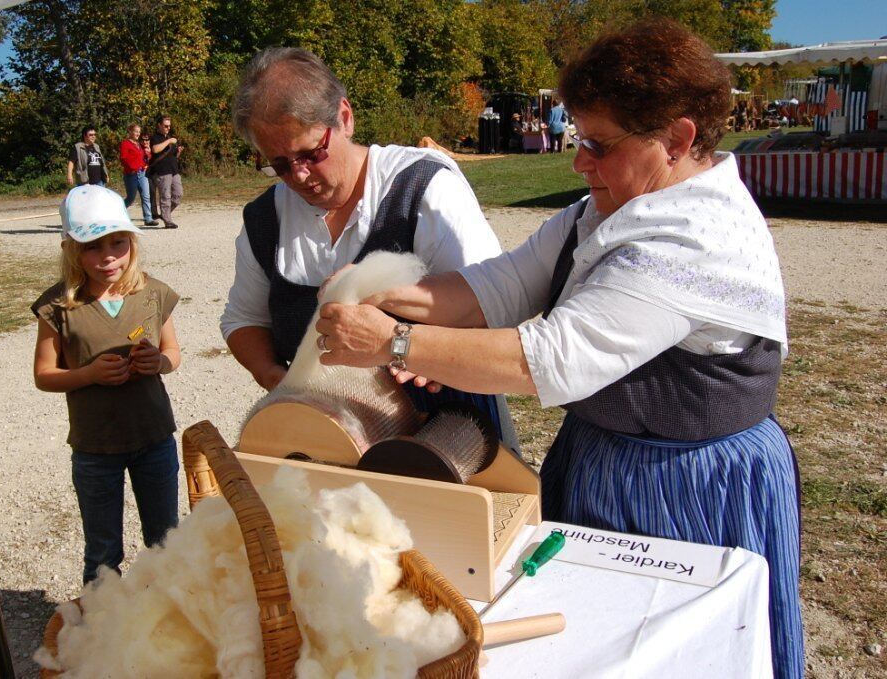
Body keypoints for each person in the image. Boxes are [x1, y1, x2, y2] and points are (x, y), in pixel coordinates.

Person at [316, 19, 801, 679]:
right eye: (579, 139)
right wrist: (386, 298)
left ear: (678, 138)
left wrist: (398, 342)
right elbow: (500, 286)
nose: (580, 161)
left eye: (598, 144)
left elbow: (548, 359)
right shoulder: (610, 204)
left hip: (691, 487)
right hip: (612, 460)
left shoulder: (694, 239)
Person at [221, 46, 519, 450]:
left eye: (310, 153)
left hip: (450, 437)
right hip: (327, 445)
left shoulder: (424, 189)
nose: (299, 175)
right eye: (280, 164)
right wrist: (283, 386)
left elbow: (491, 309)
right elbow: (244, 320)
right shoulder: (263, 219)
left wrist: (417, 348)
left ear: (344, 118)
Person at [32, 185, 182, 584]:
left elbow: (173, 352)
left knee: (166, 542)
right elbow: (44, 375)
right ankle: (103, 627)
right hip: (95, 447)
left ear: (132, 242)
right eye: (93, 247)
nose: (109, 256)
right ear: (71, 250)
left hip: (155, 439)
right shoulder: (59, 307)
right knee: (102, 551)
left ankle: (168, 620)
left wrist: (159, 363)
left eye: (119, 243)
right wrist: (88, 375)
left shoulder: (152, 293)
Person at [149, 115, 183, 229]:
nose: (168, 128)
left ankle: (165, 214)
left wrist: (178, 152)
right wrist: (169, 141)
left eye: (169, 126)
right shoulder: (155, 137)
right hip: (162, 171)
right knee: (165, 196)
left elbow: (172, 155)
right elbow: (155, 149)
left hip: (174, 170)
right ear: (159, 125)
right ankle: (168, 221)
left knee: (178, 194)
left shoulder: (169, 137)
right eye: (166, 126)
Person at [119, 123, 157, 226]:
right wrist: (132, 167)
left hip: (142, 173)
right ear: (130, 131)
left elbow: (145, 157)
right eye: (136, 131)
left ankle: (148, 219)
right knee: (131, 198)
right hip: (131, 174)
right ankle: (117, 211)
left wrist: (146, 162)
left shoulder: (139, 145)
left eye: (139, 132)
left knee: (146, 196)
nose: (138, 133)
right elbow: (123, 158)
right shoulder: (125, 143)